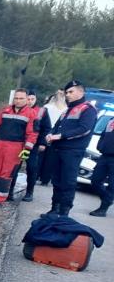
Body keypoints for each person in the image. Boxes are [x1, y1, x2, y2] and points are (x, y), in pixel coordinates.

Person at [43, 80, 97, 217]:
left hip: (72, 151)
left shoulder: (88, 109)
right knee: (56, 180)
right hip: (58, 150)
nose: (67, 95)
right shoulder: (68, 110)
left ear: (81, 92)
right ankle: (54, 208)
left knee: (67, 182)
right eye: (66, 92)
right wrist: (50, 133)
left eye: (71, 92)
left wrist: (60, 136)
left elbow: (84, 129)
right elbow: (56, 126)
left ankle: (63, 212)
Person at [0, 88, 36, 208]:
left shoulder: (31, 113)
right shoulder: (5, 110)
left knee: (6, 174)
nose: (18, 101)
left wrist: (27, 149)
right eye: (16, 98)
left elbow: (32, 134)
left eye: (21, 98)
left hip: (15, 147)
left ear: (26, 99)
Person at [19, 91, 53, 202]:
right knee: (14, 168)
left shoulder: (42, 111)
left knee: (32, 168)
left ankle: (29, 192)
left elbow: (46, 128)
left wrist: (43, 143)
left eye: (32, 99)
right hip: (18, 143)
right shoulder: (19, 110)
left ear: (36, 99)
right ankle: (9, 193)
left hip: (34, 145)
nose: (29, 101)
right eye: (28, 99)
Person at [38, 88, 67, 186]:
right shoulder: (65, 110)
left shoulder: (48, 106)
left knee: (43, 155)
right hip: (54, 133)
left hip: (48, 132)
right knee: (48, 157)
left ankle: (39, 176)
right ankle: (45, 178)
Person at [88, 116, 114, 217]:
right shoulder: (111, 119)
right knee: (95, 180)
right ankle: (107, 199)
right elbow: (103, 134)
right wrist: (99, 145)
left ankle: (103, 209)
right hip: (104, 155)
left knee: (112, 186)